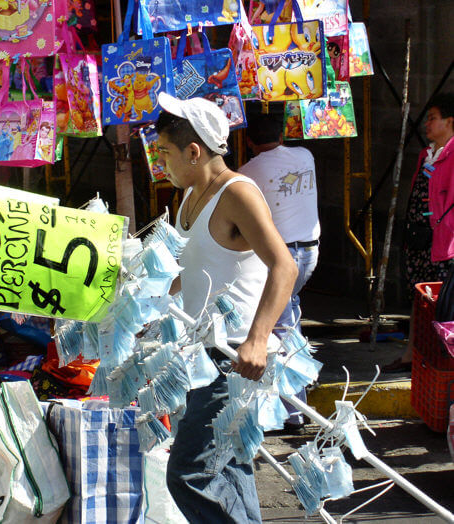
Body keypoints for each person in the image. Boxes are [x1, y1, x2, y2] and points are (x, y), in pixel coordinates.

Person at [156, 93, 297, 523]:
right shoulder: (189, 197)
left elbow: (284, 266)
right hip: (198, 354)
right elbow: (191, 274)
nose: (161, 162)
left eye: (164, 152)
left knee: (188, 473)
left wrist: (258, 340)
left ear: (194, 152)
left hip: (231, 358)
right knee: (227, 469)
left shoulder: (237, 194)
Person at [238, 111, 320, 428]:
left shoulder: (248, 172)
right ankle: (292, 393)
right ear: (282, 135)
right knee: (287, 319)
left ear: (248, 141)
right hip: (310, 252)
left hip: (282, 260)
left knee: (284, 328)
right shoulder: (306, 154)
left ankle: (296, 410)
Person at [384, 93, 454, 372]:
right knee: (419, 299)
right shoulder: (427, 155)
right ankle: (411, 355)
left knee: (444, 303)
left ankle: (442, 359)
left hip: (444, 244)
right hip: (420, 241)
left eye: (432, 118)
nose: (427, 124)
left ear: (450, 122)